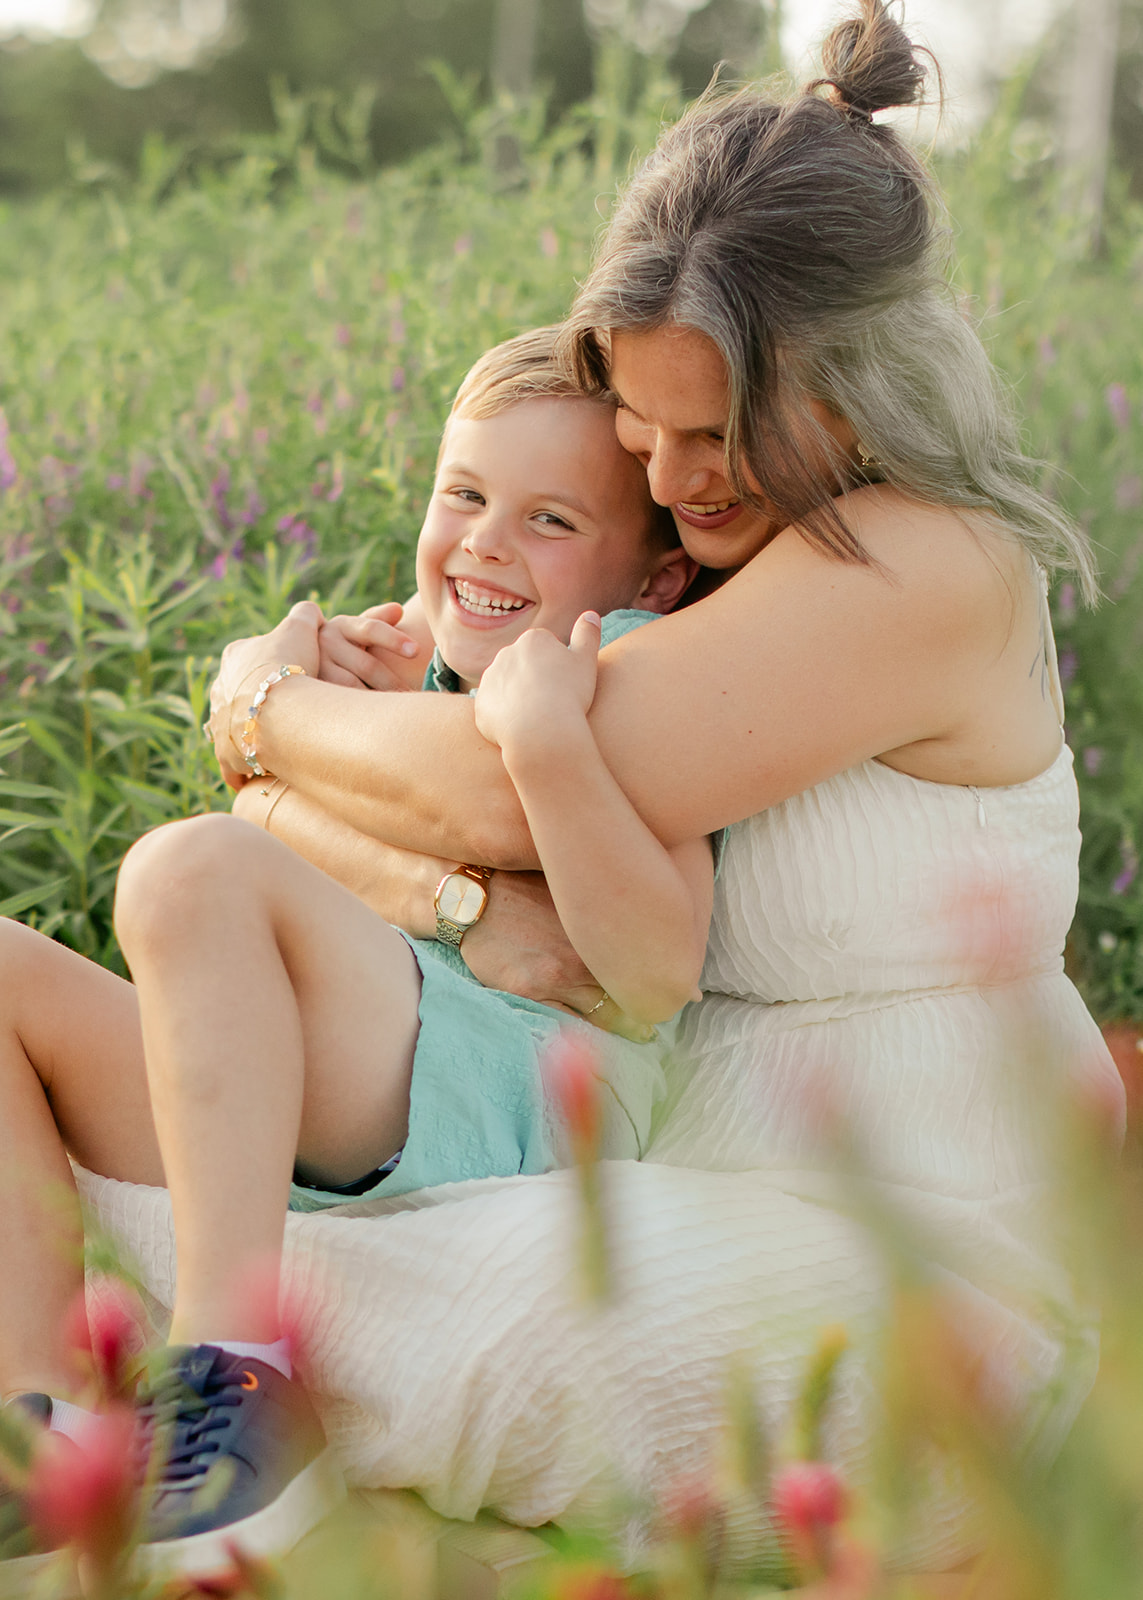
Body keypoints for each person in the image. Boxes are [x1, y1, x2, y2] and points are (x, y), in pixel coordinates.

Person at [25, 0, 1137, 1577]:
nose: (674, 480)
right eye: (647, 426)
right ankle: (130, 1408)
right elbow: (468, 799)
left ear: (866, 376)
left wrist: (253, 703)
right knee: (152, 1165)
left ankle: (217, 1406)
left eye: (720, 429)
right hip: (663, 1161)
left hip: (906, 1250)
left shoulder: (917, 558)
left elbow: (488, 788)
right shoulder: (711, 568)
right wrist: (319, 821)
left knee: (306, 1275)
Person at [0, 331, 709, 1577]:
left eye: (550, 519)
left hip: (512, 1090)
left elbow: (658, 962)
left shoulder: (629, 674)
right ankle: (38, 1415)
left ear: (649, 580)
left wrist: (532, 741)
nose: (485, 543)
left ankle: (238, 1381)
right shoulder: (411, 675)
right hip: (367, 1075)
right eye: (465, 493)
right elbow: (259, 947)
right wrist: (364, 726)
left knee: (187, 867)